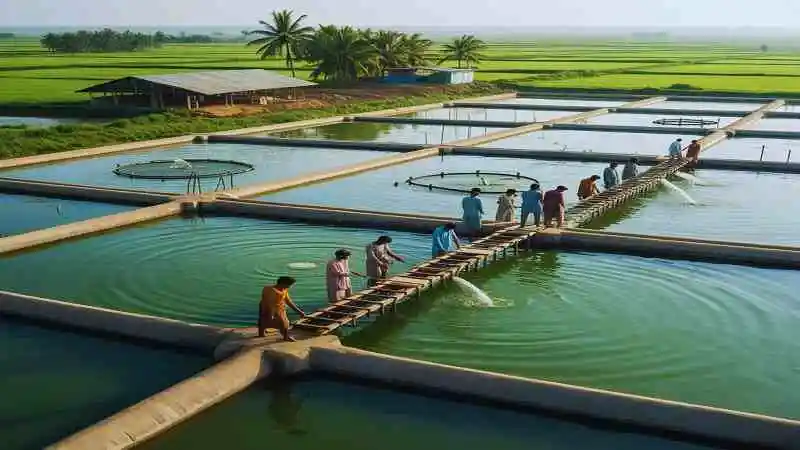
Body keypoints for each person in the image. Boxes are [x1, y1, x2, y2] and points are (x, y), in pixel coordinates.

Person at [258, 276, 306, 342]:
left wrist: (299, 312)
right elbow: (269, 302)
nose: (290, 286)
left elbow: (288, 301)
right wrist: (271, 314)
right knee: (281, 322)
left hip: (279, 308)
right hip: (268, 308)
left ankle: (283, 336)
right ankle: (285, 337)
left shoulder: (284, 290)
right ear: (283, 283)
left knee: (284, 322)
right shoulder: (270, 289)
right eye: (289, 285)